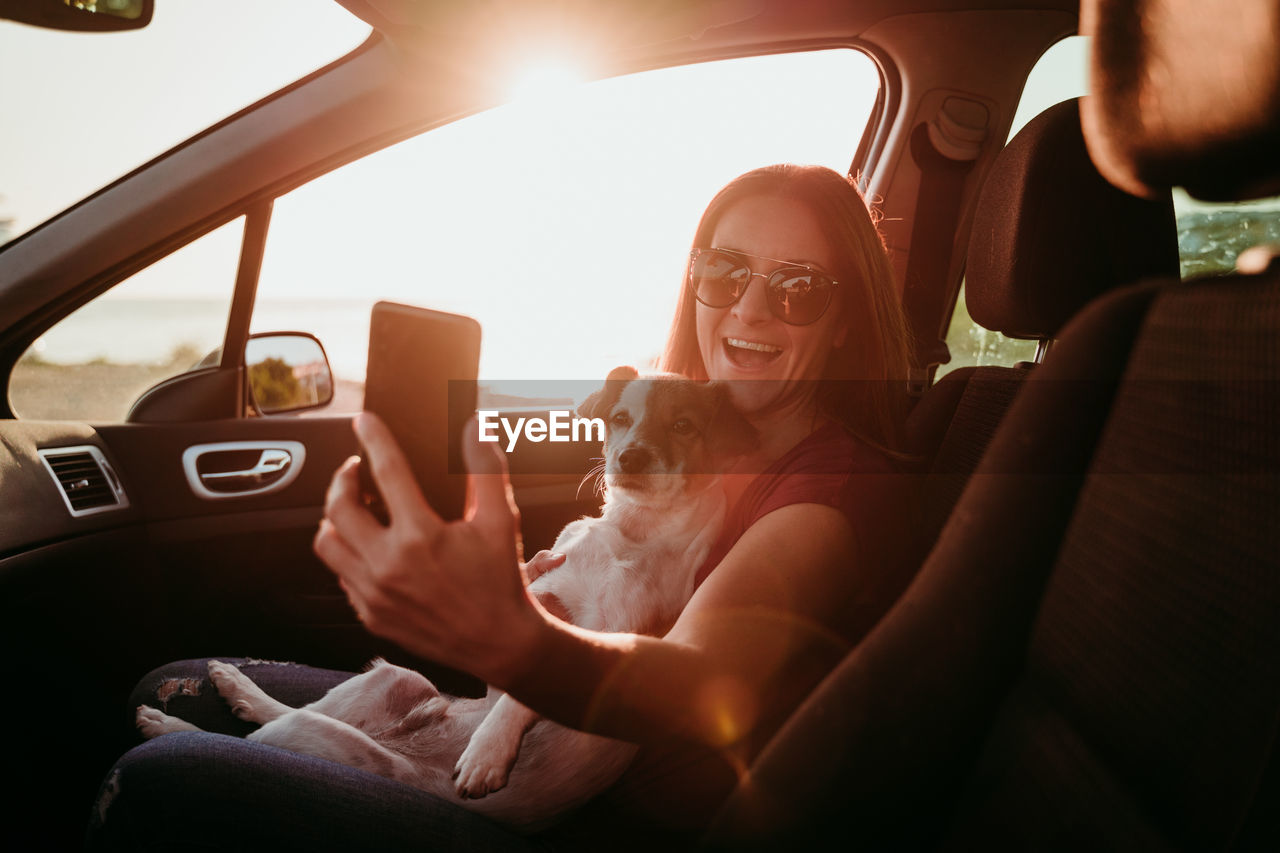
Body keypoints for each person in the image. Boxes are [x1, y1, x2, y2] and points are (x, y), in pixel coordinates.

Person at [86, 164, 918, 851]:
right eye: (725, 269)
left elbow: (702, 676)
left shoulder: (830, 491)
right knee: (178, 689)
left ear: (846, 320)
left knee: (159, 783)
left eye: (799, 288)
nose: (749, 307)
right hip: (497, 726)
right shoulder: (691, 421)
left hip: (586, 820)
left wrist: (509, 635)